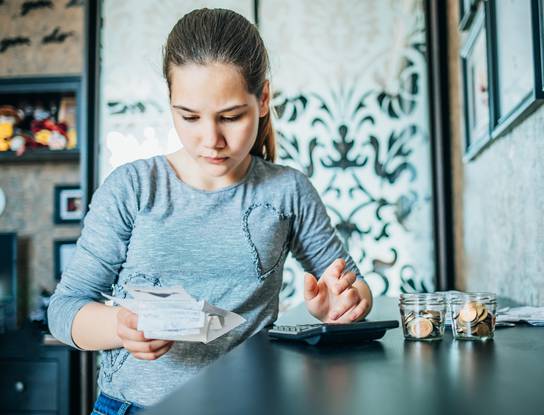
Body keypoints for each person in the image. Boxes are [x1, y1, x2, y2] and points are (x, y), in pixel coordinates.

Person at [48, 7, 373, 414]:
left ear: (264, 99)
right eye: (189, 117)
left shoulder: (287, 190)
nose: (210, 139)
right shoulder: (132, 188)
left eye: (231, 117)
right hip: (132, 407)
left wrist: (339, 307)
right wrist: (119, 326)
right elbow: (64, 310)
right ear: (170, 102)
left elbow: (355, 287)